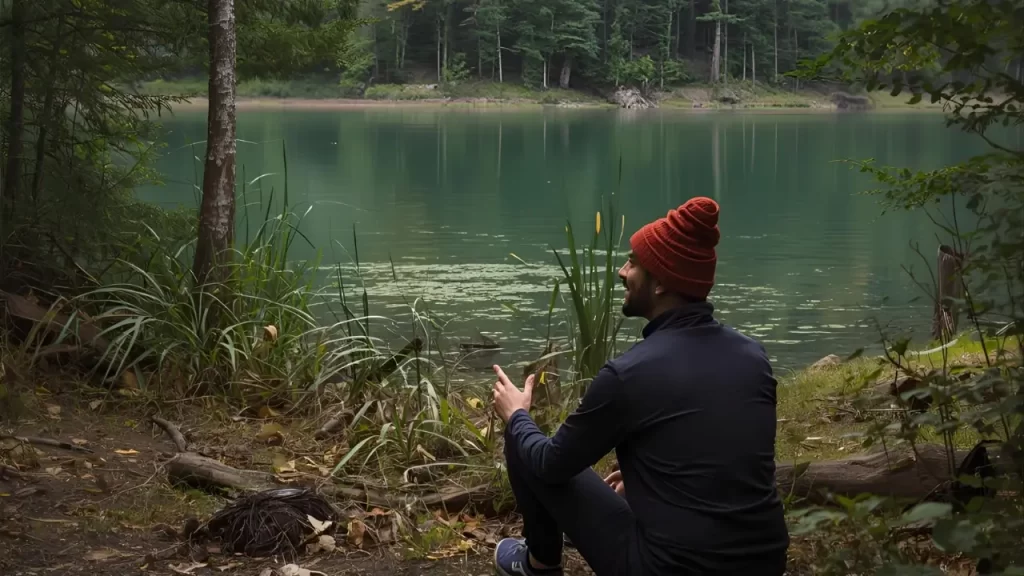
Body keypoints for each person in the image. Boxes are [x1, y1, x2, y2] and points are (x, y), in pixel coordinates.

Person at [490, 197, 789, 576]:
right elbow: (727, 459)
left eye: (633, 262)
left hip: (666, 569)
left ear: (661, 283)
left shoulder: (629, 374)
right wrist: (645, 481)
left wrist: (516, 414)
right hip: (764, 564)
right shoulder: (753, 358)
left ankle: (539, 563)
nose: (621, 271)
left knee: (526, 442)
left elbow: (552, 466)